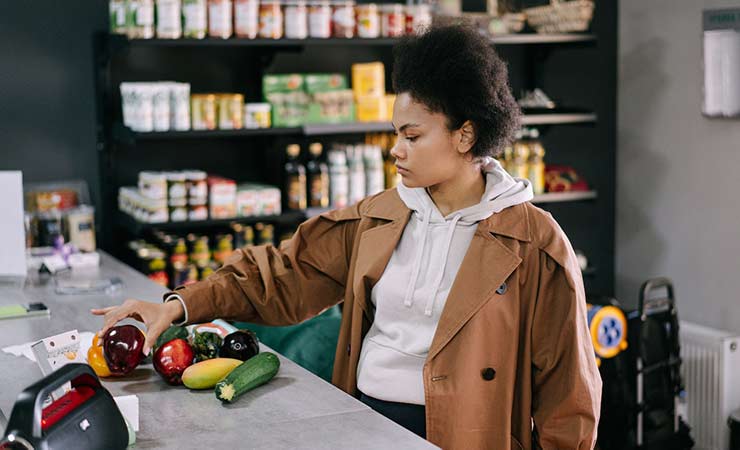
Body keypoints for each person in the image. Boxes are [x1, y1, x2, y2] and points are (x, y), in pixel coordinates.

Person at [93, 24, 602, 449]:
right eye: (395, 133)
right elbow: (281, 275)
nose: (396, 150)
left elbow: (568, 397)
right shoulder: (378, 217)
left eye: (412, 136)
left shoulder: (533, 242)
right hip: (363, 423)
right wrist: (179, 306)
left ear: (465, 134)